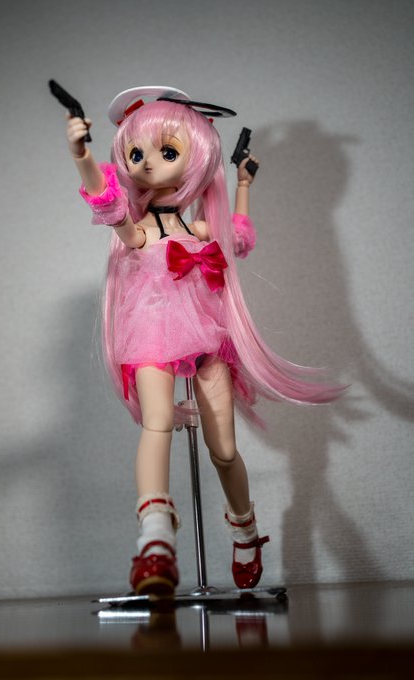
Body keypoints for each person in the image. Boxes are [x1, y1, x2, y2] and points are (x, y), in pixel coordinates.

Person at [65, 86, 344, 596]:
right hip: (150, 331)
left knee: (224, 449)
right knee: (157, 424)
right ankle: (155, 536)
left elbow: (238, 238)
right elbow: (110, 206)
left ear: (194, 158)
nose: (149, 163)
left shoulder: (199, 229)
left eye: (167, 152)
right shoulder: (139, 232)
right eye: (136, 154)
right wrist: (82, 156)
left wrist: (243, 183)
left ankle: (244, 529)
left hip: (207, 336)